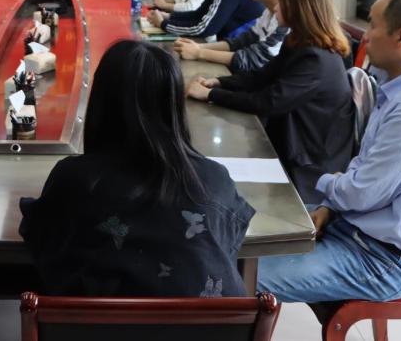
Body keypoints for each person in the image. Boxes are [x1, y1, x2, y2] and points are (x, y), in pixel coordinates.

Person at [256, 0, 401, 303]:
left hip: (382, 261)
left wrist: (326, 183)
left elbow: (363, 192)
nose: (365, 36)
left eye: (372, 25)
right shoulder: (399, 87)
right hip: (355, 229)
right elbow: (365, 168)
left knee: (237, 276)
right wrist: (330, 207)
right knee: (235, 235)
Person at [19, 40, 254, 298]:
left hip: (91, 322)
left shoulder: (73, 179)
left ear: (101, 101)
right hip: (206, 323)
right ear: (175, 105)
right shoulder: (213, 180)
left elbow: (40, 236)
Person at [185, 0, 355, 202]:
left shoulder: (316, 59)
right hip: (290, 143)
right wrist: (219, 82)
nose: (275, 7)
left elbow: (269, 102)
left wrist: (211, 94)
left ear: (298, 8)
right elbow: (262, 76)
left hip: (308, 166)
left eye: (282, 2)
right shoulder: (299, 42)